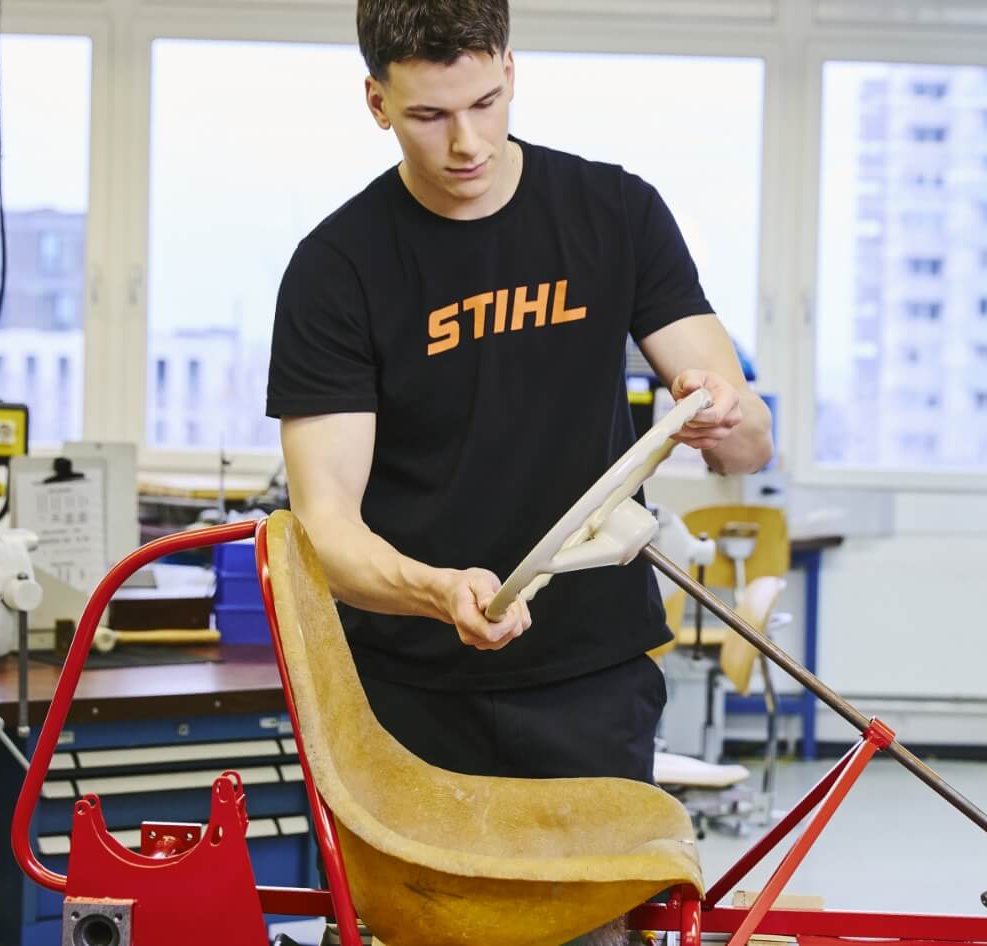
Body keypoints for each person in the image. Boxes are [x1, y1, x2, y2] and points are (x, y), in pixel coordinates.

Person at [267, 0, 770, 839]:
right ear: (376, 102)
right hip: (406, 689)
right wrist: (434, 592)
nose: (466, 143)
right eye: (428, 115)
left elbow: (747, 446)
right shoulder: (337, 268)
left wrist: (723, 415)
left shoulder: (616, 213)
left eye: (484, 104)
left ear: (510, 71)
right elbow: (325, 529)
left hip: (592, 677)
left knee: (595, 925)